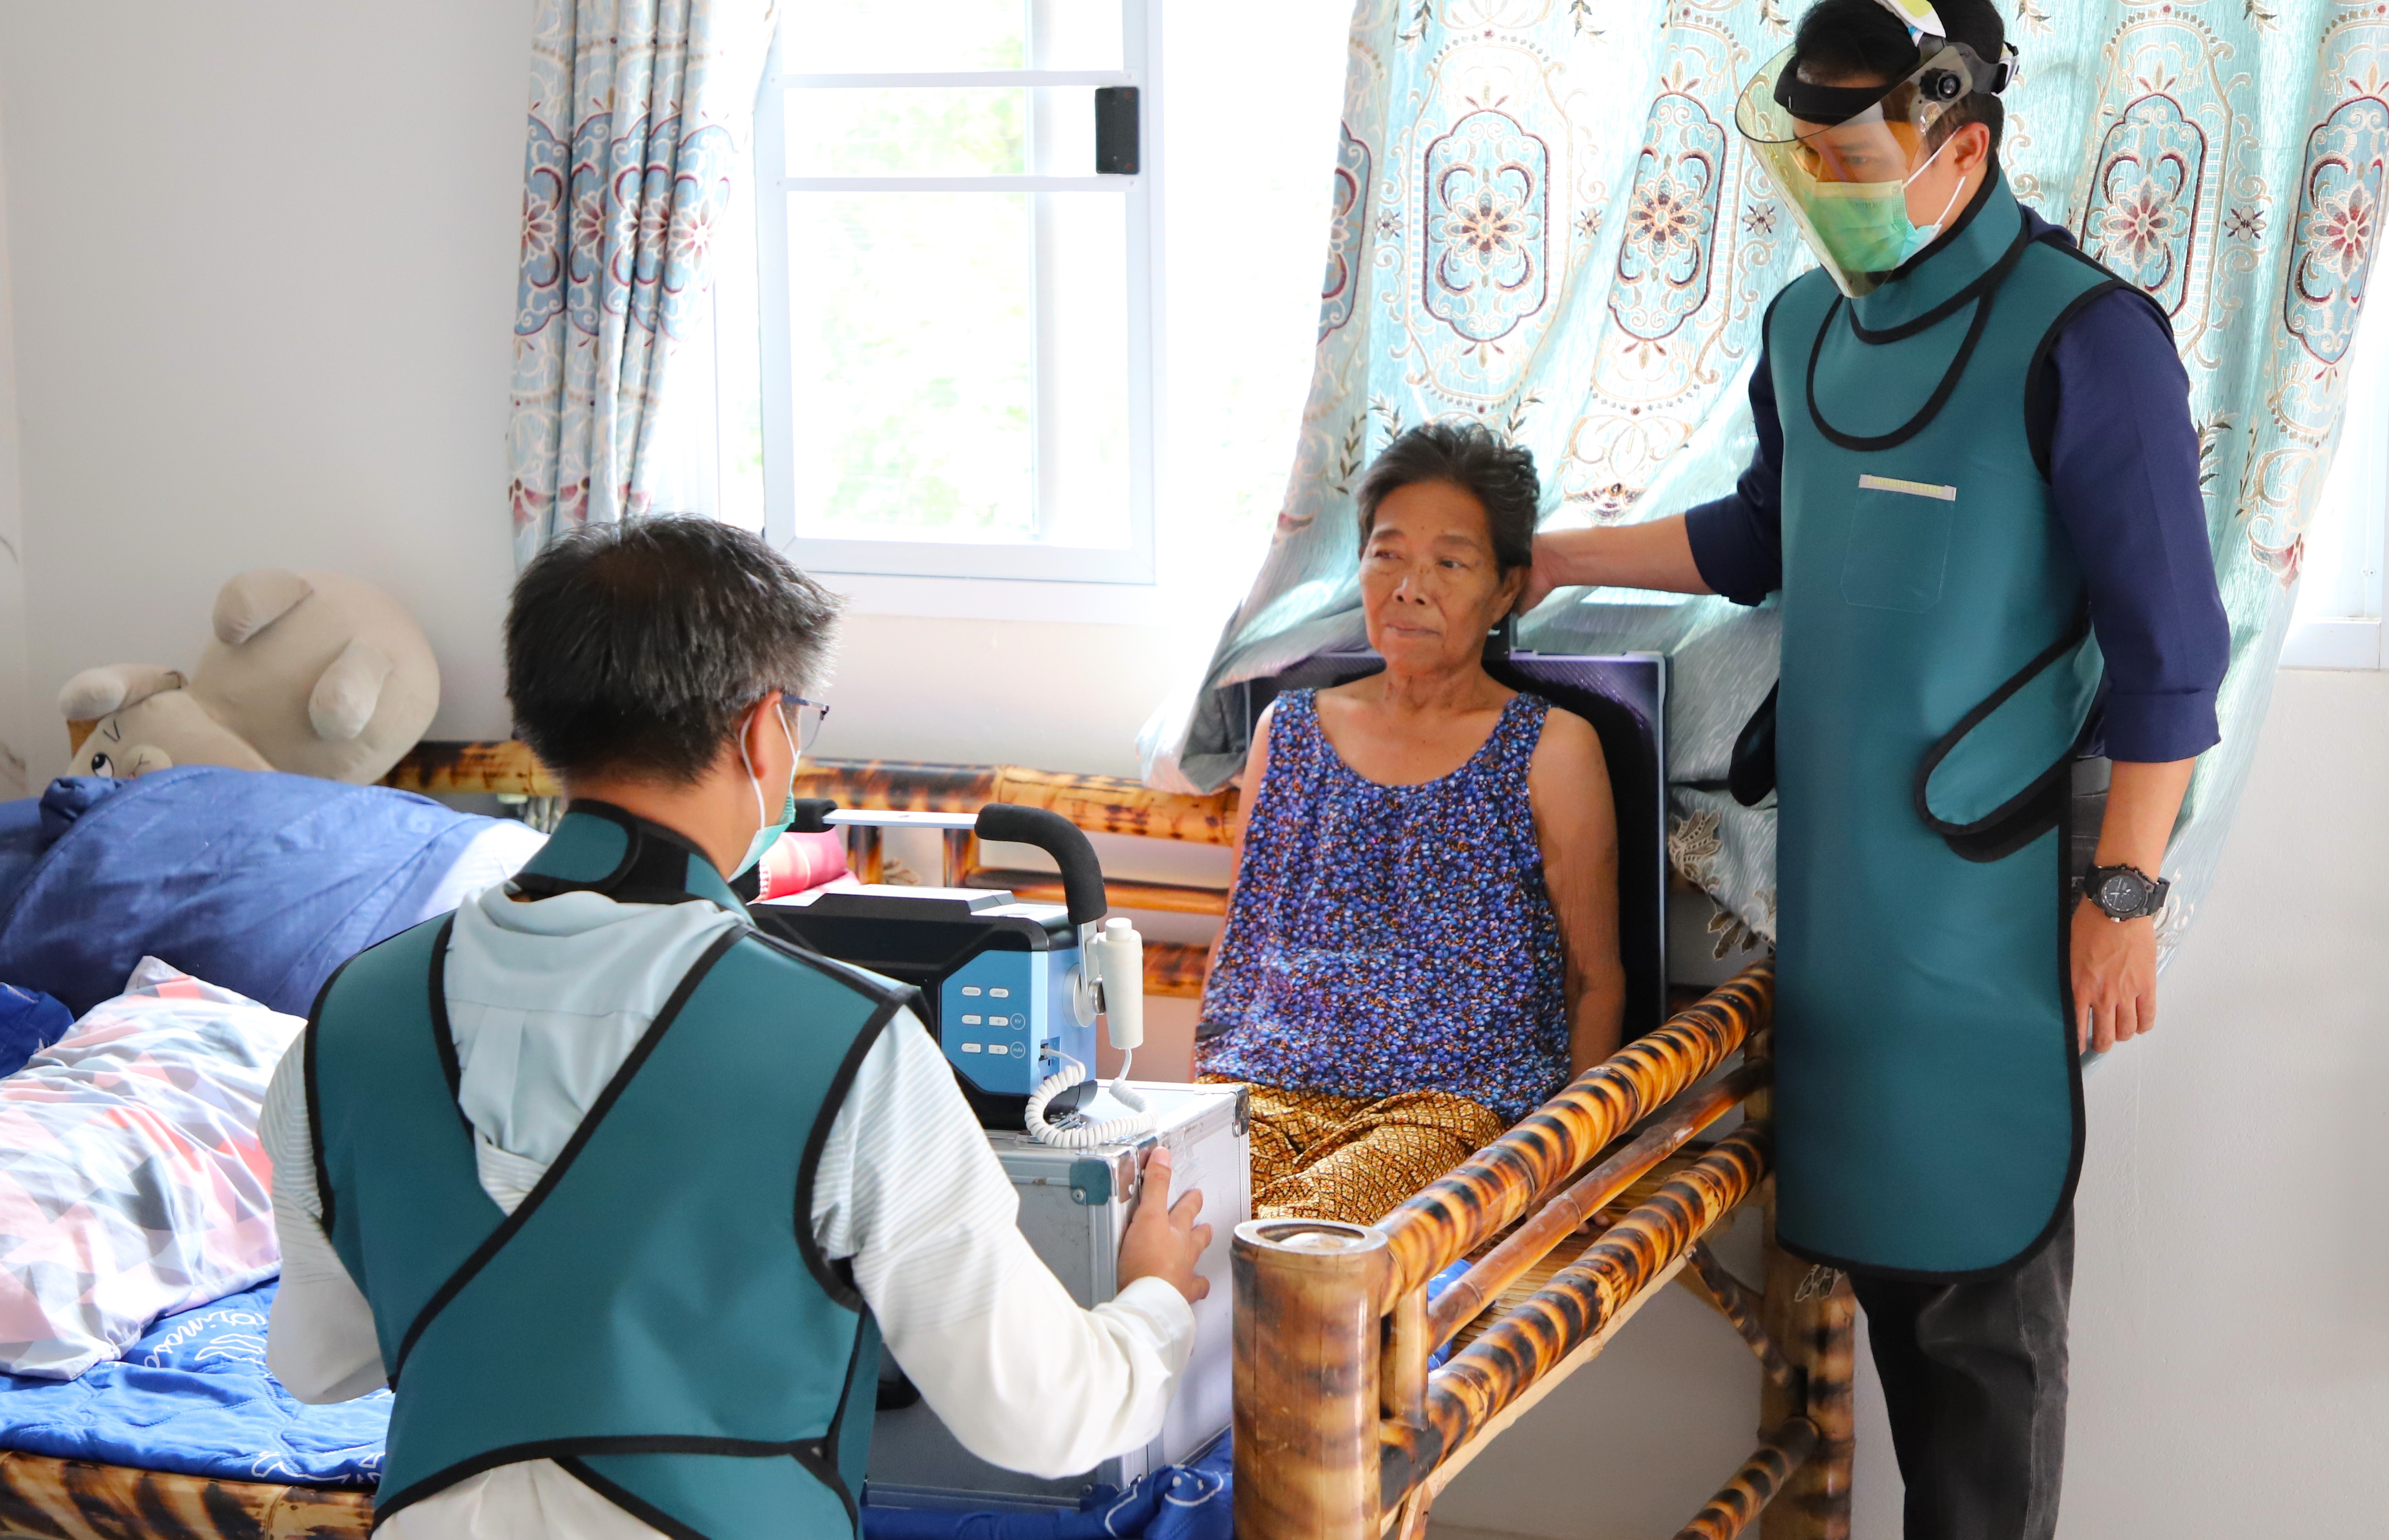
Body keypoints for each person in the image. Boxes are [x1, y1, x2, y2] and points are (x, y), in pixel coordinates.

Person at [1521, 0, 2229, 1540]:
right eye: (1800, 166)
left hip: (1993, 902)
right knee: (1886, 1278)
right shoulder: (1804, 330)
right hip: (1842, 893)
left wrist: (2122, 887)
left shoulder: (2085, 340)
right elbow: (1762, 536)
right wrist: (1549, 556)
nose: (1821, 201)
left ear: (1958, 147)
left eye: (1847, 169)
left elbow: (2172, 653)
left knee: (1981, 1315)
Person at [261, 516, 1213, 1539]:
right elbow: (1043, 1414)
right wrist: (1154, 1303)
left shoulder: (343, 1022)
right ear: (766, 730)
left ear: (537, 724)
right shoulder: (846, 1042)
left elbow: (318, 1363)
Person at [1197, 423, 1627, 1226]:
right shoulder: (1287, 732)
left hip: (1453, 1102)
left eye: (1450, 562)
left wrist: (1573, 1164)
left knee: (1307, 1239)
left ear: (1505, 589)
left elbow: (1595, 978)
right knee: (1168, 1209)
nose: (1409, 586)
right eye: (1387, 554)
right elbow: (1243, 937)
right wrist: (1207, 1091)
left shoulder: (1551, 748)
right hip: (1264, 1081)